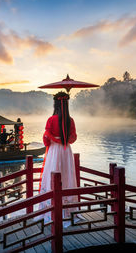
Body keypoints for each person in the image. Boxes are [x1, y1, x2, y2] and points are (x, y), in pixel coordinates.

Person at [38, 91, 77, 224]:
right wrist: (64, 139)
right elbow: (73, 138)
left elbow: (46, 138)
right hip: (66, 151)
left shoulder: (51, 119)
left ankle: (51, 211)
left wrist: (54, 139)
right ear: (66, 105)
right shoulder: (70, 120)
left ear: (55, 104)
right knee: (67, 175)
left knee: (52, 175)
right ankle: (67, 211)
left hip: (54, 151)